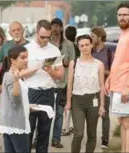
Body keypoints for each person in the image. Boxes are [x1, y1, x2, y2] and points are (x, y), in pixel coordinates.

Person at [105, 3, 129, 152]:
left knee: (128, 122)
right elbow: (118, 60)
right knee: (122, 121)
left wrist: (127, 87)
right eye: (119, 15)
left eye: (125, 15)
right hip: (118, 84)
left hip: (126, 86)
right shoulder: (124, 34)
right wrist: (109, 79)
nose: (122, 18)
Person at [23, 19, 64, 153]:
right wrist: (36, 68)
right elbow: (21, 74)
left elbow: (60, 75)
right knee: (28, 129)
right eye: (42, 37)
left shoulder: (55, 50)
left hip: (48, 92)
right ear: (36, 32)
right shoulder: (27, 49)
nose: (45, 40)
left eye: (48, 37)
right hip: (31, 92)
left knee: (45, 131)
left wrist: (51, 71)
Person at [65, 34, 105, 153]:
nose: (85, 47)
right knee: (79, 133)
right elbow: (70, 84)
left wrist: (102, 105)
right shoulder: (74, 63)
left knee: (92, 134)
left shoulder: (99, 64)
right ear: (78, 47)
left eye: (87, 44)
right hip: (77, 101)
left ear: (92, 45)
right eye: (82, 45)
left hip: (93, 101)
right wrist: (68, 102)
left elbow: (102, 85)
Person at [0, 45, 35, 153]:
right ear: (13, 60)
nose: (26, 60)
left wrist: (27, 106)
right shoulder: (11, 76)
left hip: (10, 122)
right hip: (16, 123)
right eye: (23, 57)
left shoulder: (9, 75)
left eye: (27, 57)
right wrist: (16, 79)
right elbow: (14, 100)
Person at [50, 18, 75, 148]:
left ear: (61, 28)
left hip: (62, 83)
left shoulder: (69, 45)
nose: (54, 28)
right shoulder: (46, 44)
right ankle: (38, 138)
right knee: (44, 113)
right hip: (47, 83)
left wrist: (65, 62)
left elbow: (72, 63)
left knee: (59, 112)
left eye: (57, 26)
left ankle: (56, 139)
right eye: (52, 26)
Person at [91, 26, 115, 149]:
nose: (91, 38)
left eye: (93, 36)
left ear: (100, 37)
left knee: (104, 113)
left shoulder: (109, 53)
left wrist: (102, 72)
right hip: (91, 88)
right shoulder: (90, 51)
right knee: (92, 115)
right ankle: (92, 139)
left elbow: (114, 71)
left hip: (104, 87)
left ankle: (105, 140)